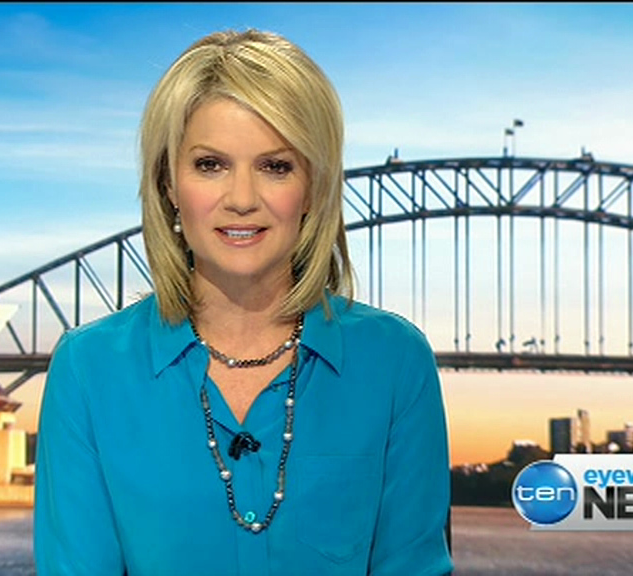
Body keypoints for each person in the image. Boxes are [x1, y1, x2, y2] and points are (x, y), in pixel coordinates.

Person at [34, 29, 453, 576]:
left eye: (275, 166)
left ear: (314, 186)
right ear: (168, 183)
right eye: (211, 165)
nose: (241, 199)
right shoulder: (88, 369)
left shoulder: (394, 361)